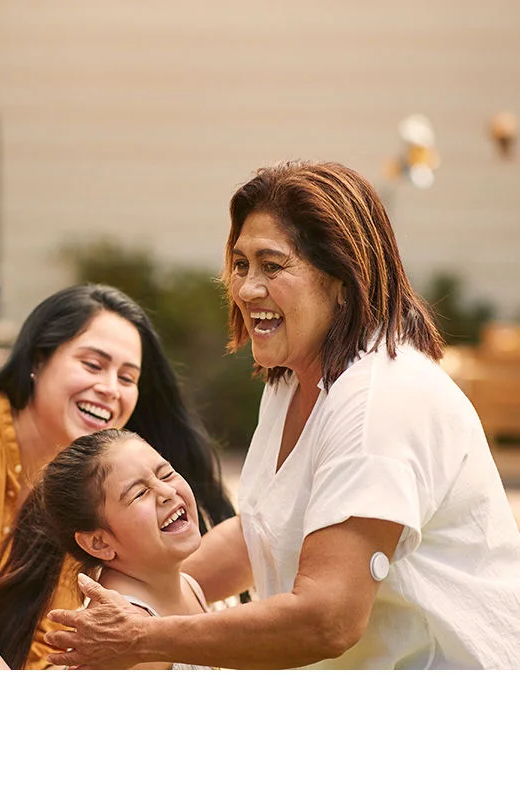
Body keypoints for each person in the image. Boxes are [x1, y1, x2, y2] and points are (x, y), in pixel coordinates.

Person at [45, 161, 520, 669]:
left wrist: (144, 636)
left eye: (273, 266)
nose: (247, 288)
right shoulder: (293, 377)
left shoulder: (379, 404)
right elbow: (260, 538)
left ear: (343, 279)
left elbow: (327, 618)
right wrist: (119, 609)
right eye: (241, 264)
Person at [0, 283, 234, 670]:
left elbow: (47, 634)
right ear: (38, 360)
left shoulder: (84, 486)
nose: (110, 390)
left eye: (128, 378)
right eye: (93, 365)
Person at [0, 429, 214, 670]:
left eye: (166, 474)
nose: (167, 492)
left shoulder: (189, 586)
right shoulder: (123, 639)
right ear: (99, 543)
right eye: (139, 493)